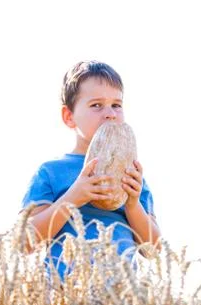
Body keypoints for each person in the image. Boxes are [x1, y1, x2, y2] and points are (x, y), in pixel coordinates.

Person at [20, 60, 162, 280]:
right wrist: (72, 198)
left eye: (116, 105)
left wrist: (133, 205)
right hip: (64, 296)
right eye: (96, 105)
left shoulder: (132, 176)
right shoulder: (51, 172)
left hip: (119, 298)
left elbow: (153, 248)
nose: (110, 114)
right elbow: (24, 241)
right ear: (69, 117)